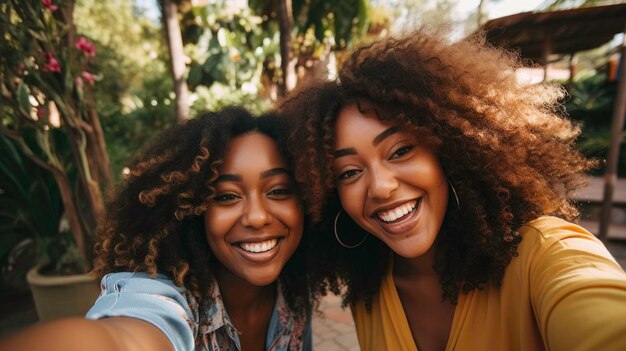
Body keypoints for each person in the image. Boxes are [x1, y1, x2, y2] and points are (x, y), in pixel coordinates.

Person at [279, 29, 626, 351]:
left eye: (401, 151)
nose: (382, 187)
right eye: (350, 172)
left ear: (450, 151)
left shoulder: (545, 254)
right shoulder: (369, 290)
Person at [1, 107, 312, 351]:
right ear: (193, 210)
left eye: (279, 190)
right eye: (227, 196)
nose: (257, 217)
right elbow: (126, 338)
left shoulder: (297, 285)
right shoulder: (167, 299)